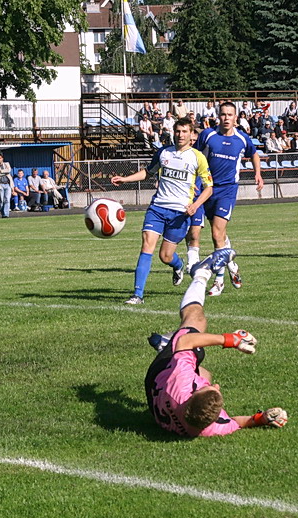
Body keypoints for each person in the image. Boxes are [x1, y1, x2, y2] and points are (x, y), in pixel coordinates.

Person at [145, 247, 288, 437]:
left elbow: (185, 341)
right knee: (205, 373)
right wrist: (262, 418)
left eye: (209, 389)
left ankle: (201, 273)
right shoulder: (211, 428)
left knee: (195, 320)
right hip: (153, 396)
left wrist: (230, 339)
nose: (217, 386)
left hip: (160, 374)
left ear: (191, 395)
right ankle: (166, 344)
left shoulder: (182, 382)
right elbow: (237, 423)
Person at [111, 118, 213, 305]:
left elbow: (208, 188)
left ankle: (178, 264)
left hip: (180, 213)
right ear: (172, 132)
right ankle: (137, 295)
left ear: (191, 135)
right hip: (157, 208)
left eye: (184, 131)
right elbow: (148, 172)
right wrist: (125, 179)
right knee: (146, 245)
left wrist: (195, 205)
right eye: (177, 131)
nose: (180, 135)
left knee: (165, 256)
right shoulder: (163, 152)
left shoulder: (197, 157)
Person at [189, 101, 264, 297]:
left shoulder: (242, 138)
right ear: (217, 116)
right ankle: (232, 265)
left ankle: (219, 281)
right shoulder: (208, 135)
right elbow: (195, 156)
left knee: (216, 234)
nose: (226, 118)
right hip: (205, 189)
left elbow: (254, 154)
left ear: (236, 117)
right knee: (212, 234)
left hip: (227, 192)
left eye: (230, 114)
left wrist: (258, 173)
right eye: (223, 114)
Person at [0, 154, 13, 218]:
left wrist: (1, 171)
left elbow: (9, 170)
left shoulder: (7, 164)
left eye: (0, 158)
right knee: (2, 200)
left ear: (2, 158)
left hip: (7, 184)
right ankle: (2, 213)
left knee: (7, 199)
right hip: (1, 184)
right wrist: (5, 172)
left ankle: (6, 214)